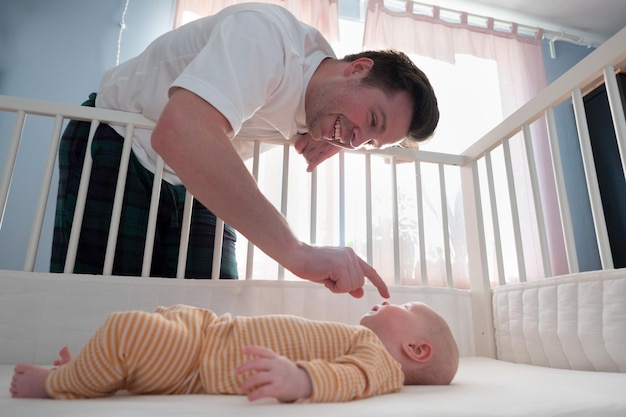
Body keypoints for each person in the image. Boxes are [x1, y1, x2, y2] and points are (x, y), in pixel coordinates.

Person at [51, 3, 439, 297]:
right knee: (99, 308)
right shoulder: (267, 38)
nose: (356, 142)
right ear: (357, 69)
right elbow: (181, 131)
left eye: (369, 143)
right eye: (372, 120)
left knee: (211, 313)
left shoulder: (323, 99)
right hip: (121, 141)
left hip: (193, 175)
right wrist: (297, 253)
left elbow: (319, 108)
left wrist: (336, 131)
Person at [10, 301, 459, 402]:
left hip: (197, 361)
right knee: (146, 329)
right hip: (208, 331)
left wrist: (301, 379)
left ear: (416, 349)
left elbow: (352, 380)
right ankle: (94, 372)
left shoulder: (380, 363)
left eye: (403, 306)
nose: (386, 302)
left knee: (127, 329)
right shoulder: (362, 341)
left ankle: (57, 384)